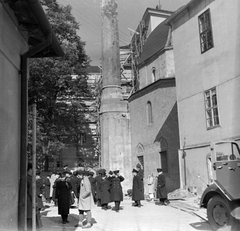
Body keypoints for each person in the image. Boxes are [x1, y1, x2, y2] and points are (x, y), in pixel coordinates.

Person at [26, 163, 43, 231]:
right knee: (31, 223)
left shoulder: (26, 178)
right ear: (30, 169)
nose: (35, 171)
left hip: (26, 204)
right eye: (34, 169)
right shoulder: (30, 179)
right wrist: (35, 202)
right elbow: (32, 193)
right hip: (30, 204)